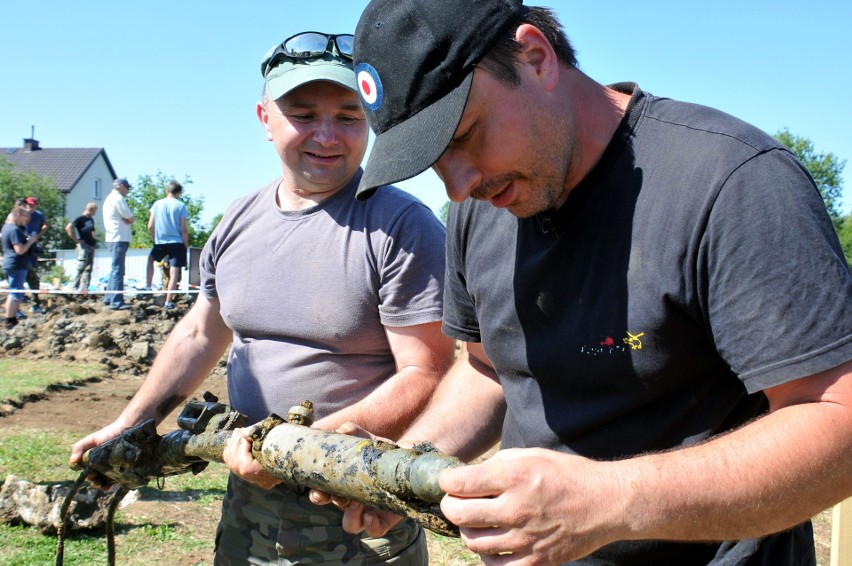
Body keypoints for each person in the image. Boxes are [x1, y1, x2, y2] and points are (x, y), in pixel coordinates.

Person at [336, 1, 852, 564]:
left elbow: (839, 422)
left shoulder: (732, 182)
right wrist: (406, 468)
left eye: (463, 136)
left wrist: (609, 502)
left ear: (535, 58)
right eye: (433, 160)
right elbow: (489, 369)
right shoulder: (481, 207)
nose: (458, 186)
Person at [70, 30, 453, 565]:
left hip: (355, 509)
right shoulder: (238, 219)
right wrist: (129, 423)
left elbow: (429, 370)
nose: (327, 135)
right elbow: (200, 333)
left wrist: (294, 452)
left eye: (348, 116)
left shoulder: (400, 224)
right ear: (264, 118)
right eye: (302, 114)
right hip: (247, 504)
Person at [145, 181, 189, 309]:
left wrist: (155, 240)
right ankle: (168, 302)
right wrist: (185, 246)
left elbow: (149, 226)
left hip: (160, 242)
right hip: (177, 242)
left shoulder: (157, 204)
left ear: (167, 191)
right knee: (174, 272)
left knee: (150, 260)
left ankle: (148, 287)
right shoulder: (181, 206)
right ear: (179, 193)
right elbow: (184, 229)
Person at [2, 206, 40, 329]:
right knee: (15, 293)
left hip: (11, 263)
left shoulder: (7, 227)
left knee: (13, 291)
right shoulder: (14, 230)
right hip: (16, 264)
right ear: (18, 214)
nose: (28, 219)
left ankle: (11, 318)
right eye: (26, 216)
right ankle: (10, 320)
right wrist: (31, 241)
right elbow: (20, 250)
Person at [102, 178, 135, 310]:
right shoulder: (118, 199)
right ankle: (116, 301)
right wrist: (127, 220)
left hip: (112, 237)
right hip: (118, 238)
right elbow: (130, 218)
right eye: (126, 188)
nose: (127, 191)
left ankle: (109, 298)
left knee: (114, 269)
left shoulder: (110, 198)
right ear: (121, 186)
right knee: (118, 270)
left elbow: (127, 218)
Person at [65, 202, 98, 294]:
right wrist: (76, 240)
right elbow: (68, 228)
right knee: (81, 266)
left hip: (91, 245)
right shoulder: (80, 219)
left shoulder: (91, 220)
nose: (94, 213)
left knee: (89, 268)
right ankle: (74, 287)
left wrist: (94, 240)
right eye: (94, 211)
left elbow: (92, 231)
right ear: (90, 209)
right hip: (83, 245)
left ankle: (85, 288)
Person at [23, 196, 48, 314]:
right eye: (29, 205)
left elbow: (46, 224)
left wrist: (39, 235)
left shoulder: (38, 214)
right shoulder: (23, 214)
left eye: (33, 205)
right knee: (22, 272)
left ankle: (34, 300)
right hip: (23, 244)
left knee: (33, 271)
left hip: (33, 244)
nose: (30, 207)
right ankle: (22, 296)